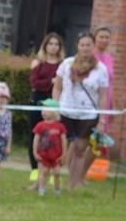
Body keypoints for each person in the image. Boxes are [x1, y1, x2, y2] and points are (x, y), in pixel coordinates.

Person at [52, 32, 109, 192]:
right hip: (65, 111)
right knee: (56, 146)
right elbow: (57, 87)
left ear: (93, 46)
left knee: (79, 149)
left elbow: (103, 96)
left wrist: (102, 120)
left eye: (88, 45)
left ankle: (71, 185)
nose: (85, 48)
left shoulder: (100, 69)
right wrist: (55, 107)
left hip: (87, 114)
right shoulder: (66, 64)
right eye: (82, 45)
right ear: (77, 46)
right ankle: (48, 179)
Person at [26, 32, 64, 181]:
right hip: (38, 100)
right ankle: (35, 168)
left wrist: (57, 83)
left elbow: (63, 84)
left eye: (56, 44)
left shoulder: (63, 65)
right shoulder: (37, 63)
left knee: (54, 136)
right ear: (45, 46)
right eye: (50, 44)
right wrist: (51, 81)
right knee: (35, 134)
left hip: (54, 100)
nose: (53, 47)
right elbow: (35, 83)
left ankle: (53, 169)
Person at [32, 98, 68, 196]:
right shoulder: (40, 125)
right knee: (43, 172)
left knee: (57, 173)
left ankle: (57, 190)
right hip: (44, 155)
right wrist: (35, 152)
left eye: (46, 109)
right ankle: (41, 190)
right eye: (43, 109)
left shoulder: (60, 127)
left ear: (55, 112)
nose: (43, 112)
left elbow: (63, 141)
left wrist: (64, 154)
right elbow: (36, 140)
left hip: (56, 155)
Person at [93, 26, 115, 131]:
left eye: (107, 37)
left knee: (100, 135)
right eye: (101, 37)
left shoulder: (109, 58)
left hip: (106, 100)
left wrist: (112, 105)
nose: (104, 40)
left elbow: (110, 83)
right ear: (95, 38)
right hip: (93, 98)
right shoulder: (90, 56)